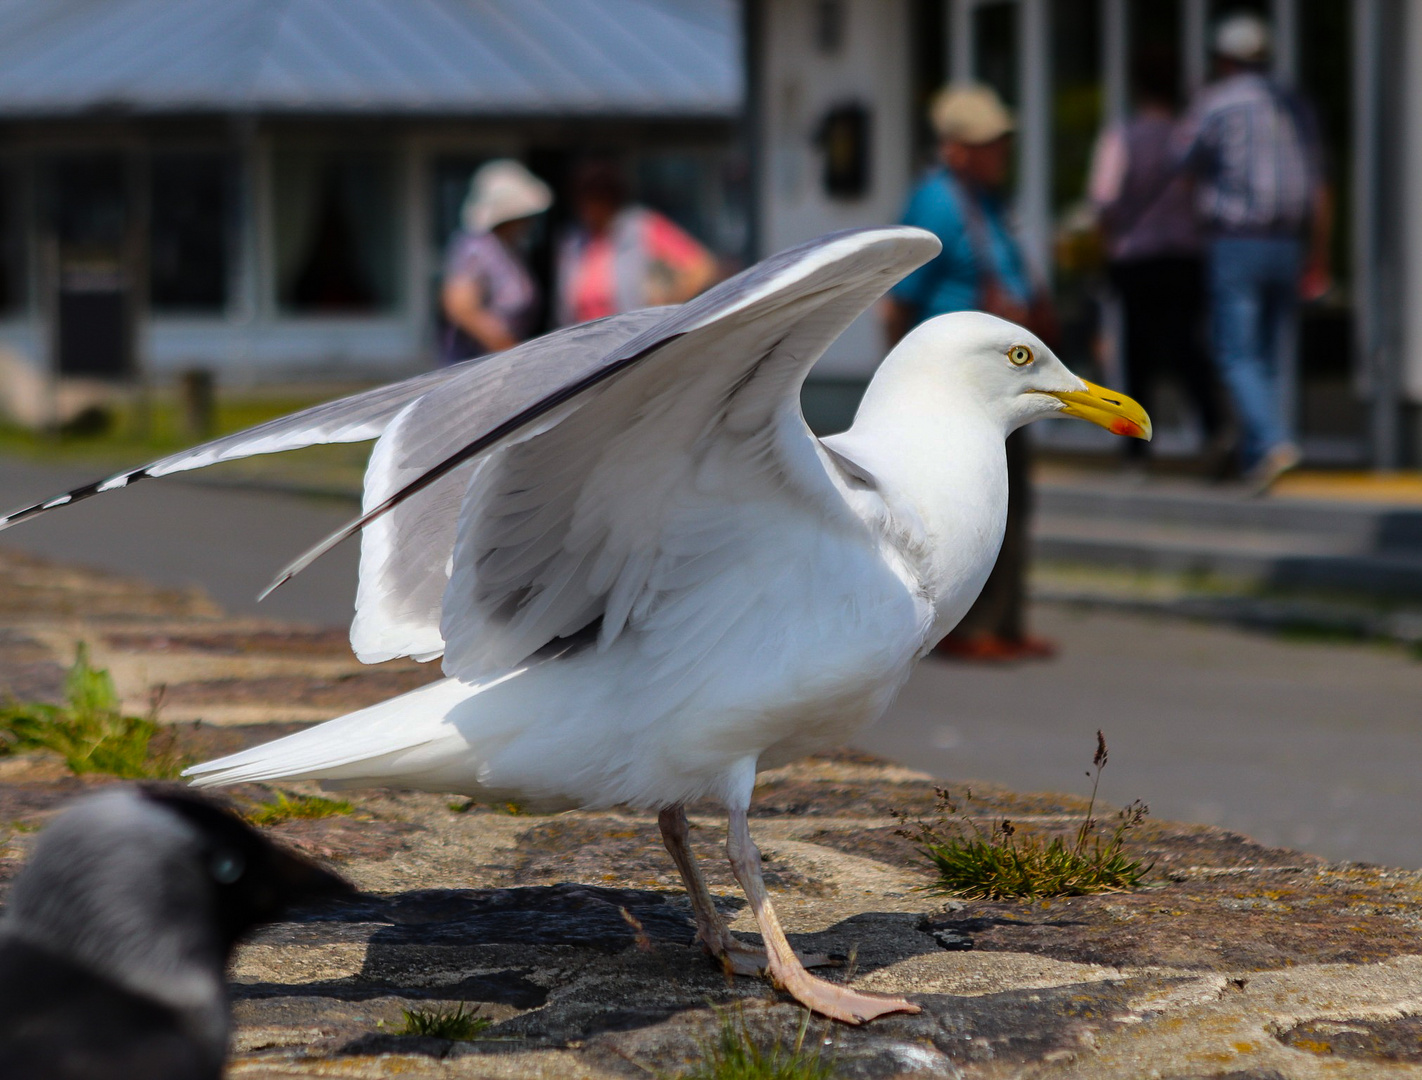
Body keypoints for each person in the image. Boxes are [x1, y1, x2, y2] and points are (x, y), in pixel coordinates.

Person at [883, 83, 1056, 662]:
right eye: (988, 142)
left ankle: (1004, 622)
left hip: (1001, 382)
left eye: (1002, 140)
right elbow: (898, 301)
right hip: (956, 390)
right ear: (954, 147)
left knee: (1009, 502)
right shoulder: (936, 201)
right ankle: (969, 628)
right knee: (972, 506)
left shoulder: (986, 199)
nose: (1000, 151)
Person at [1176, 12, 1331, 491]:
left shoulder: (1218, 104)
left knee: (1238, 353)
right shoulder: (1294, 104)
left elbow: (1179, 162)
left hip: (1236, 241)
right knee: (1268, 353)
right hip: (1288, 241)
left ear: (1223, 59)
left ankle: (1271, 442)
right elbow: (1321, 188)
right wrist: (1319, 257)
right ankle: (1256, 455)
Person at [1088, 48, 1221, 468]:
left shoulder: (1123, 136)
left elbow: (1103, 199)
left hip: (1135, 258)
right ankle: (1213, 429)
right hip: (1185, 256)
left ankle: (1135, 448)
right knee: (1187, 347)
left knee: (1137, 353)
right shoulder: (1190, 137)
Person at [555, 158, 717, 326]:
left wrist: (669, 304)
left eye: (597, 199)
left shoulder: (639, 226)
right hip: (585, 342)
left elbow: (701, 266)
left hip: (631, 338)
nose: (588, 209)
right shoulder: (572, 240)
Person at [439, 159, 553, 364]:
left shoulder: (511, 250)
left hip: (502, 365)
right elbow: (461, 307)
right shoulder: (476, 247)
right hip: (477, 369)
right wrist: (509, 352)